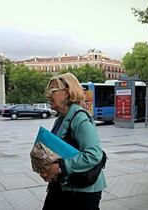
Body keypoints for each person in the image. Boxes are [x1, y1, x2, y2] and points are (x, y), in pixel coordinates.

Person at [40, 73, 106, 210]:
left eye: (52, 90)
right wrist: (48, 168)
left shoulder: (80, 118)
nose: (48, 95)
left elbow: (94, 154)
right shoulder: (61, 118)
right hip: (64, 185)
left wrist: (59, 168)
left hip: (83, 192)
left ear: (67, 92)